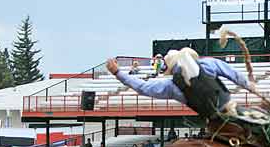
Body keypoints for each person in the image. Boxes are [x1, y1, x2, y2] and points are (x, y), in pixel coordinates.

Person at [106, 47, 257, 120]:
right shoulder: (207, 64)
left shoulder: (171, 86)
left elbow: (142, 87)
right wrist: (250, 87)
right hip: (231, 110)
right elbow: (234, 75)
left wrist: (117, 72)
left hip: (213, 121)